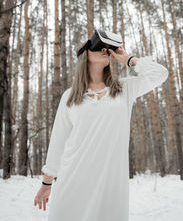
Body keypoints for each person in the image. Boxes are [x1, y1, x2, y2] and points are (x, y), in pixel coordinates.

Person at [34, 39, 169, 221]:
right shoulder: (70, 96)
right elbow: (59, 141)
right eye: (98, 47)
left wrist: (129, 59)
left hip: (110, 186)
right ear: (85, 55)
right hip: (73, 182)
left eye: (107, 48)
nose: (105, 50)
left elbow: (160, 74)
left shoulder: (123, 89)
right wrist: (46, 183)